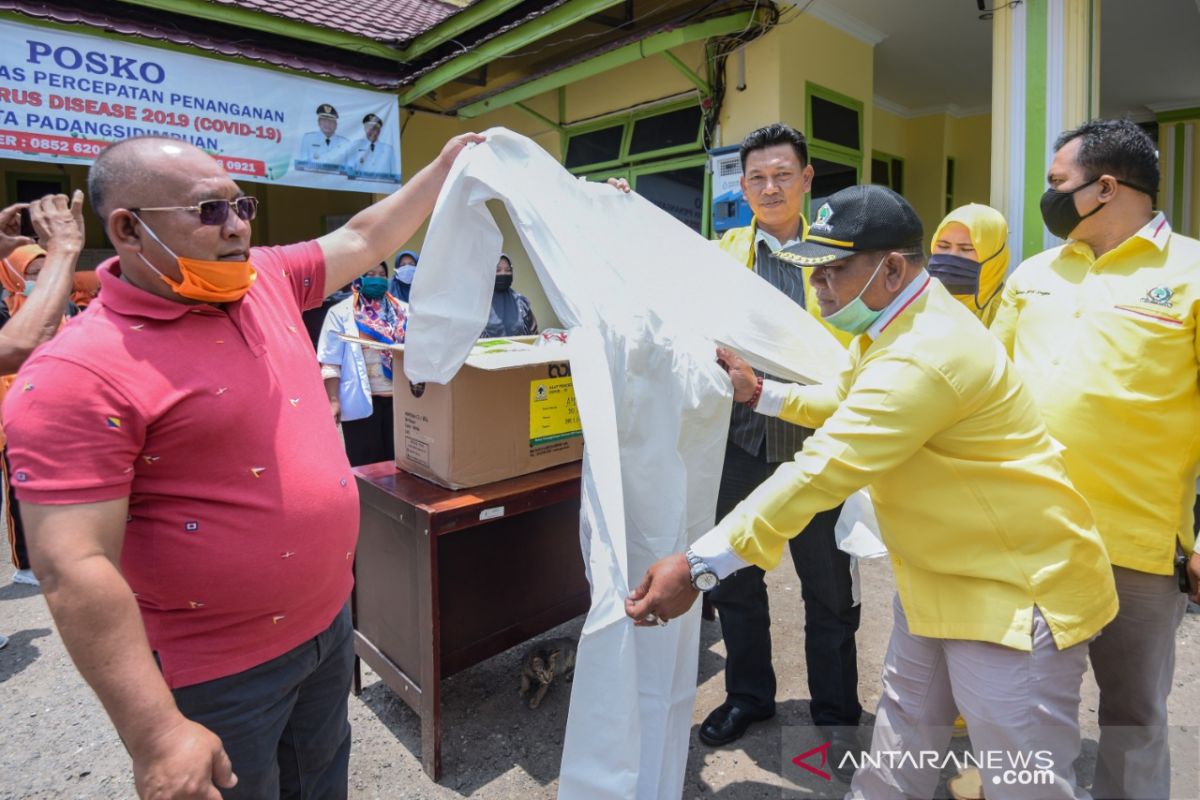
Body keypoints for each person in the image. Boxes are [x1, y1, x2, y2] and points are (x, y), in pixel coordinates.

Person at [2, 131, 481, 799]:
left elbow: (366, 236)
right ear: (129, 229)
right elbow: (74, 567)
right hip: (216, 672)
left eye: (242, 207)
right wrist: (157, 734)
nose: (237, 229)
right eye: (209, 212)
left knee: (318, 781)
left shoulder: (268, 284)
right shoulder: (76, 372)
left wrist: (444, 165)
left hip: (326, 628)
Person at [626, 185, 1118, 799]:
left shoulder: (923, 354)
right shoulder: (900, 318)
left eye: (834, 270)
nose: (819, 286)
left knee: (1024, 781)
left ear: (891, 268)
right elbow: (845, 398)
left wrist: (699, 565)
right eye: (815, 270)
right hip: (939, 579)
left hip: (1012, 595)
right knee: (898, 751)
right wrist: (762, 394)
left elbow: (822, 470)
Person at [992, 118, 1200, 800]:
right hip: (1032, 533)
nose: (1047, 197)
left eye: (1057, 183)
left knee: (1133, 715)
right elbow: (984, 387)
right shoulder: (1032, 274)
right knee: (1020, 709)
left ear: (1104, 187)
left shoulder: (1192, 273)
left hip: (1136, 548)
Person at [702, 123, 861, 768]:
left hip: (816, 447)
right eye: (758, 178)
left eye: (782, 175)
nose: (770, 187)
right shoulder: (721, 252)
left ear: (806, 180)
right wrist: (621, 208)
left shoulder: (840, 251)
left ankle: (835, 706)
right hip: (740, 446)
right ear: (742, 187)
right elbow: (652, 278)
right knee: (736, 578)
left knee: (828, 585)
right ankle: (749, 695)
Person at [0, 196, 86, 589]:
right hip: (12, 407)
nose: (40, 270)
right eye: (32, 267)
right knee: (20, 495)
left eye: (41, 264)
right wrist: (63, 250)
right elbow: (21, 345)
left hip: (51, 402)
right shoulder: (24, 305)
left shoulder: (58, 298)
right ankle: (26, 563)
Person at [318, 260, 407, 466]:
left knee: (402, 467)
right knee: (367, 470)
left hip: (400, 402)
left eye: (381, 274)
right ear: (358, 278)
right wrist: (333, 402)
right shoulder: (340, 313)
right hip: (360, 402)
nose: (376, 278)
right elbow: (330, 361)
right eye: (370, 273)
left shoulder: (403, 312)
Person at [928, 203, 1009, 325]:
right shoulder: (912, 305)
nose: (951, 256)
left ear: (994, 257)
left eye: (966, 249)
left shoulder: (1009, 314)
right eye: (943, 246)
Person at [482, 253, 538, 336]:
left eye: (507, 270)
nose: (503, 274)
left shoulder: (521, 302)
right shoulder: (478, 303)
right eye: (497, 270)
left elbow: (533, 334)